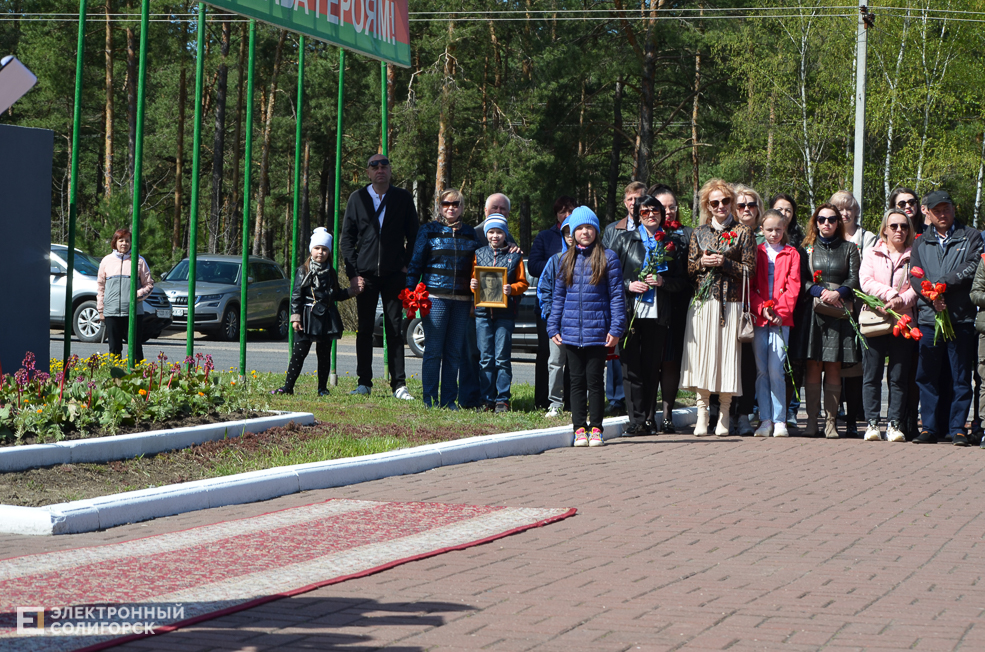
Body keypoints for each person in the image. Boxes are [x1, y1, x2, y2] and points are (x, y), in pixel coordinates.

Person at [340, 153, 419, 400]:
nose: (380, 169)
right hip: (365, 277)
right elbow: (346, 240)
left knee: (395, 330)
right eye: (374, 166)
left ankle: (399, 385)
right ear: (368, 172)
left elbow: (414, 236)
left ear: (390, 171)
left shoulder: (403, 198)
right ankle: (364, 382)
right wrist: (353, 274)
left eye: (384, 165)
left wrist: (406, 265)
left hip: (395, 274)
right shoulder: (357, 198)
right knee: (364, 330)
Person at [681, 179, 757, 436]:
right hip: (703, 304)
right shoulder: (698, 233)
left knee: (727, 360)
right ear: (708, 206)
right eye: (715, 202)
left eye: (725, 201)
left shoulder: (743, 232)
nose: (721, 206)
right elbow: (689, 271)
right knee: (703, 359)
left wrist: (725, 263)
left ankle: (725, 414)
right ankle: (703, 414)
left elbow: (750, 270)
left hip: (732, 305)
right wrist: (702, 262)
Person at [548, 206, 625, 447]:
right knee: (576, 382)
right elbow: (558, 296)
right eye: (579, 228)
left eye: (589, 227)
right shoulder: (565, 259)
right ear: (572, 232)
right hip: (570, 332)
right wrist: (553, 326)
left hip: (598, 333)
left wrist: (616, 328)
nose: (584, 232)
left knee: (594, 382)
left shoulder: (608, 257)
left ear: (596, 230)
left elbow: (616, 296)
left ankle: (596, 428)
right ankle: (579, 427)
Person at [910, 190, 982, 446]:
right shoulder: (920, 241)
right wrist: (931, 295)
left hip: (960, 317)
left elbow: (972, 266)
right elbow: (914, 275)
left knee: (961, 376)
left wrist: (943, 284)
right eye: (936, 210)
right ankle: (928, 427)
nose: (942, 214)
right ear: (927, 213)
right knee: (926, 375)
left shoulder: (970, 236)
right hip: (930, 317)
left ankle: (957, 428)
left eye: (946, 208)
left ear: (954, 209)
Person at [610, 196, 686, 435]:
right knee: (631, 366)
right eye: (645, 211)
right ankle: (636, 420)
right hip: (631, 311)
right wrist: (628, 285)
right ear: (637, 215)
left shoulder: (672, 243)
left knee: (652, 367)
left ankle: (650, 418)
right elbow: (609, 277)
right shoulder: (624, 240)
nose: (651, 215)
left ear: (663, 214)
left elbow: (683, 282)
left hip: (658, 314)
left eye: (655, 210)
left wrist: (663, 281)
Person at [790, 203, 860, 439]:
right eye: (821, 219)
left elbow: (854, 278)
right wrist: (819, 291)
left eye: (831, 219)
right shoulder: (806, 248)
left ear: (838, 222)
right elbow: (800, 279)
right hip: (813, 312)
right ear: (815, 222)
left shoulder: (850, 248)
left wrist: (839, 292)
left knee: (833, 365)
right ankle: (811, 422)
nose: (826, 223)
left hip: (839, 311)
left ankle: (831, 422)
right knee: (813, 364)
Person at [405, 188, 479, 409]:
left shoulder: (470, 233)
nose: (451, 208)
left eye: (455, 204)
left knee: (454, 352)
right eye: (446, 204)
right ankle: (429, 400)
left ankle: (448, 400)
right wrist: (410, 292)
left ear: (462, 208)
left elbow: (480, 264)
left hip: (463, 300)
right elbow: (415, 262)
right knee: (433, 350)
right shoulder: (428, 230)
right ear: (439, 206)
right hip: (435, 297)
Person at [272, 228, 356, 395]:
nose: (321, 252)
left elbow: (336, 294)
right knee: (299, 353)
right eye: (317, 248)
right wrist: (295, 318)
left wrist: (352, 291)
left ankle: (322, 389)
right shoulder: (303, 270)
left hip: (327, 317)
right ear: (311, 249)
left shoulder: (331, 272)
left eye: (324, 249)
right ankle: (288, 388)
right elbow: (296, 295)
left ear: (329, 251)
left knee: (324, 355)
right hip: (307, 316)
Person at [858, 209, 917, 442]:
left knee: (898, 376)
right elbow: (866, 281)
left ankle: (894, 425)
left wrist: (900, 300)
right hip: (876, 318)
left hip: (903, 321)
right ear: (884, 229)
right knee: (871, 374)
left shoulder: (915, 255)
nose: (899, 230)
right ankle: (872, 424)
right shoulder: (873, 253)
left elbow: (918, 287)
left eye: (904, 226)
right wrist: (890, 294)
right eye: (894, 226)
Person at [828, 190, 876, 437]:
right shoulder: (828, 236)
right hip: (832, 307)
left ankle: (853, 419)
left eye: (849, 208)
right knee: (836, 363)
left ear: (856, 211)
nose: (845, 213)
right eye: (839, 209)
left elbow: (866, 271)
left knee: (856, 365)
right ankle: (833, 417)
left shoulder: (866, 237)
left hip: (858, 306)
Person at [749, 210, 801, 437]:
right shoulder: (756, 252)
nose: (774, 234)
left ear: (784, 230)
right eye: (769, 229)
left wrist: (779, 311)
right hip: (760, 318)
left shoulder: (792, 254)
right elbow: (749, 288)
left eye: (778, 229)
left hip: (782, 319)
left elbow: (793, 286)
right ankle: (765, 419)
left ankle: (780, 419)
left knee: (776, 369)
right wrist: (762, 308)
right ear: (761, 230)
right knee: (761, 371)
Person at [470, 214, 529, 412]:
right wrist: (473, 285)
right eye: (491, 232)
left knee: (502, 358)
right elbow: (473, 280)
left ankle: (502, 399)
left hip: (505, 314)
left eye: (499, 232)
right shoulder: (478, 253)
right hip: (483, 314)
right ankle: (487, 399)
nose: (495, 236)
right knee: (486, 358)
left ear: (505, 233)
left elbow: (523, 283)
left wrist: (511, 289)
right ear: (486, 234)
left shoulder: (515, 256)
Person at [649, 184, 693, 433]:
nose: (667, 212)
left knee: (669, 362)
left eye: (671, 207)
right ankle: (646, 413)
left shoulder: (686, 234)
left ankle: (667, 415)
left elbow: (689, 276)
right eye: (661, 207)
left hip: (676, 307)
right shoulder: (645, 234)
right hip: (648, 308)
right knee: (650, 362)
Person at [600, 182, 645, 415]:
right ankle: (616, 398)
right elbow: (606, 263)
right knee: (615, 351)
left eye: (638, 199)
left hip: (646, 297)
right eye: (630, 199)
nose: (634, 204)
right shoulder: (612, 230)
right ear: (624, 202)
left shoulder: (651, 225)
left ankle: (638, 400)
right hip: (620, 295)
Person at [529, 195, 576, 409]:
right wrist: (556, 266)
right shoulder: (545, 237)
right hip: (548, 306)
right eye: (561, 211)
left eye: (569, 211)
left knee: (572, 356)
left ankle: (568, 401)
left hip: (573, 308)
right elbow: (533, 266)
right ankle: (544, 400)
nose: (565, 215)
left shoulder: (580, 237)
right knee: (547, 354)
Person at [731, 183, 765, 435]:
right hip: (728, 304)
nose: (745, 209)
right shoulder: (727, 234)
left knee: (748, 365)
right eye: (740, 204)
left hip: (755, 310)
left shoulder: (767, 236)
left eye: (750, 205)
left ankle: (743, 414)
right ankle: (722, 412)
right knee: (726, 360)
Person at [96, 228, 154, 364]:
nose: (124, 244)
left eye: (127, 241)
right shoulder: (106, 261)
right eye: (121, 240)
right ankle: (115, 376)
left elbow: (149, 285)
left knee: (135, 348)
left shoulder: (139, 261)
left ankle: (137, 376)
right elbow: (100, 287)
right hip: (111, 312)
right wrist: (101, 309)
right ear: (115, 243)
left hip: (133, 312)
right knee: (114, 348)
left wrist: (135, 296)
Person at [536, 216, 573, 417]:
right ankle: (555, 403)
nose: (570, 237)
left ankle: (576, 402)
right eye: (566, 233)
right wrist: (550, 315)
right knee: (555, 362)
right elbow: (544, 290)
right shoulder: (555, 260)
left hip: (582, 323)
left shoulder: (593, 258)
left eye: (572, 232)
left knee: (578, 365)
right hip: (558, 322)